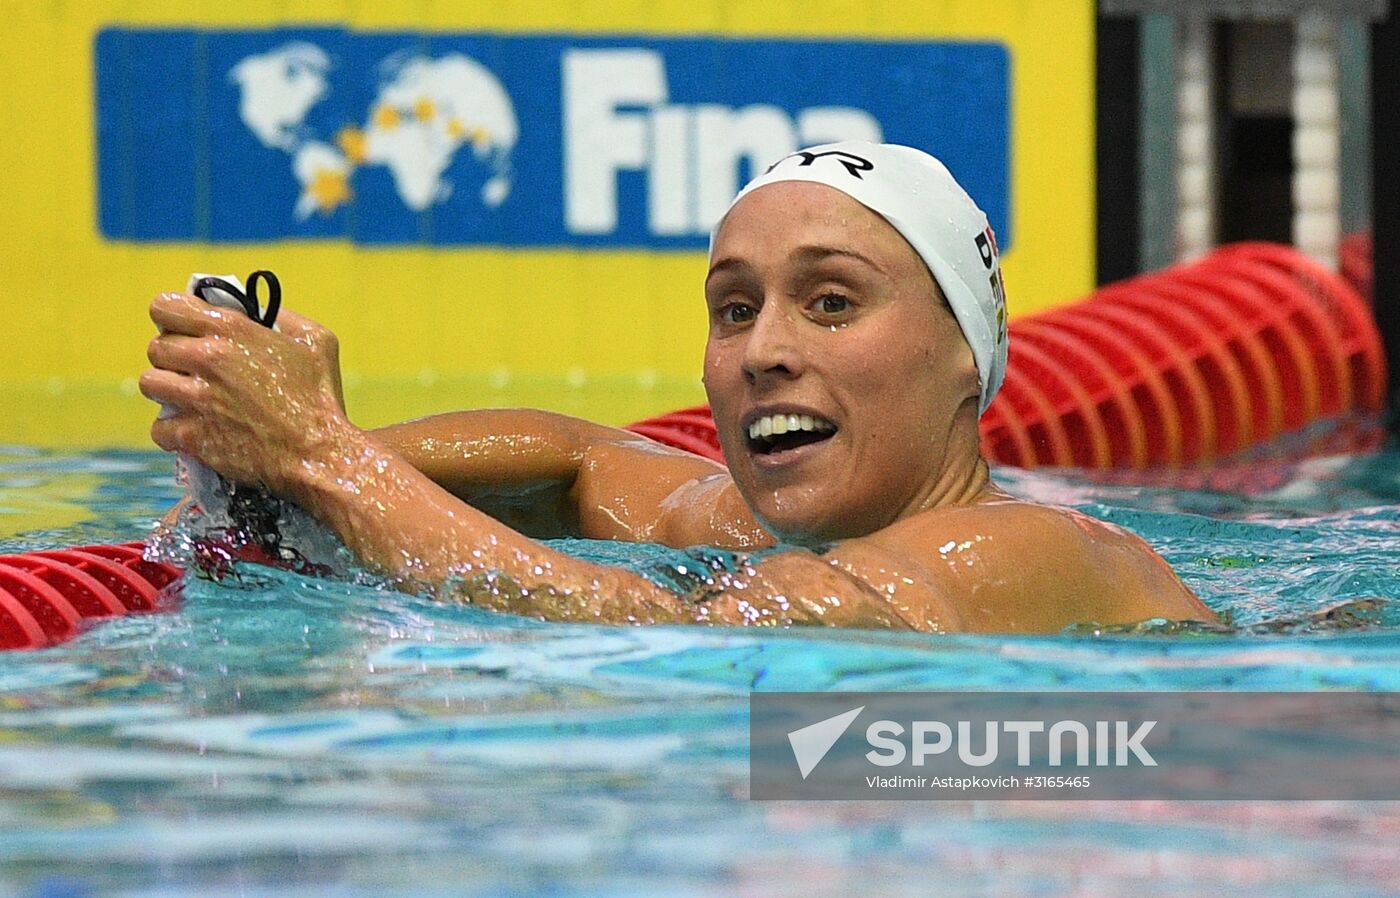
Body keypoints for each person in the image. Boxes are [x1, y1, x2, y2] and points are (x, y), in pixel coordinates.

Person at [140, 141, 1216, 633]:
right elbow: (582, 456)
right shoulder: (756, 532)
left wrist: (321, 459)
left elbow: (670, 635)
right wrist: (285, 447)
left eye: (831, 302)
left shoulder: (1029, 551)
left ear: (963, 360)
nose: (761, 351)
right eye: (735, 308)